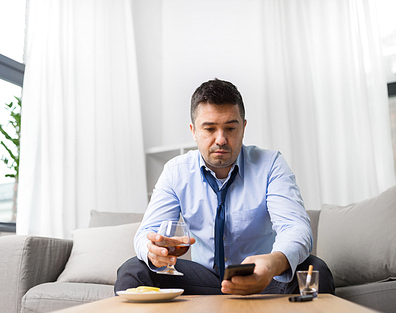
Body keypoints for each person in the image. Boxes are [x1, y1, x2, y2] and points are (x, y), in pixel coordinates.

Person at [115, 78, 334, 295]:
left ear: (244, 128)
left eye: (230, 128)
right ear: (193, 131)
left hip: (264, 277)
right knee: (133, 270)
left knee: (316, 270)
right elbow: (147, 232)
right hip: (205, 280)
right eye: (209, 129)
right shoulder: (176, 171)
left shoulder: (271, 164)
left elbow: (296, 227)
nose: (221, 139)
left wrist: (273, 263)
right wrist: (153, 251)